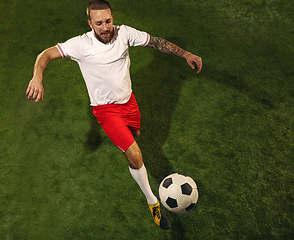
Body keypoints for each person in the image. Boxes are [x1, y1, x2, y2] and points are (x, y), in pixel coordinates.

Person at [26, 0, 202, 230]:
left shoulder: (124, 33)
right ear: (90, 23)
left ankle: (129, 153)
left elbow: (156, 43)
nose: (105, 27)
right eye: (99, 23)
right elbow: (45, 55)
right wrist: (37, 77)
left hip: (129, 105)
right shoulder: (81, 44)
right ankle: (153, 203)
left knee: (133, 143)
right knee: (136, 155)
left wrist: (185, 54)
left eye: (108, 21)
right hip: (106, 111)